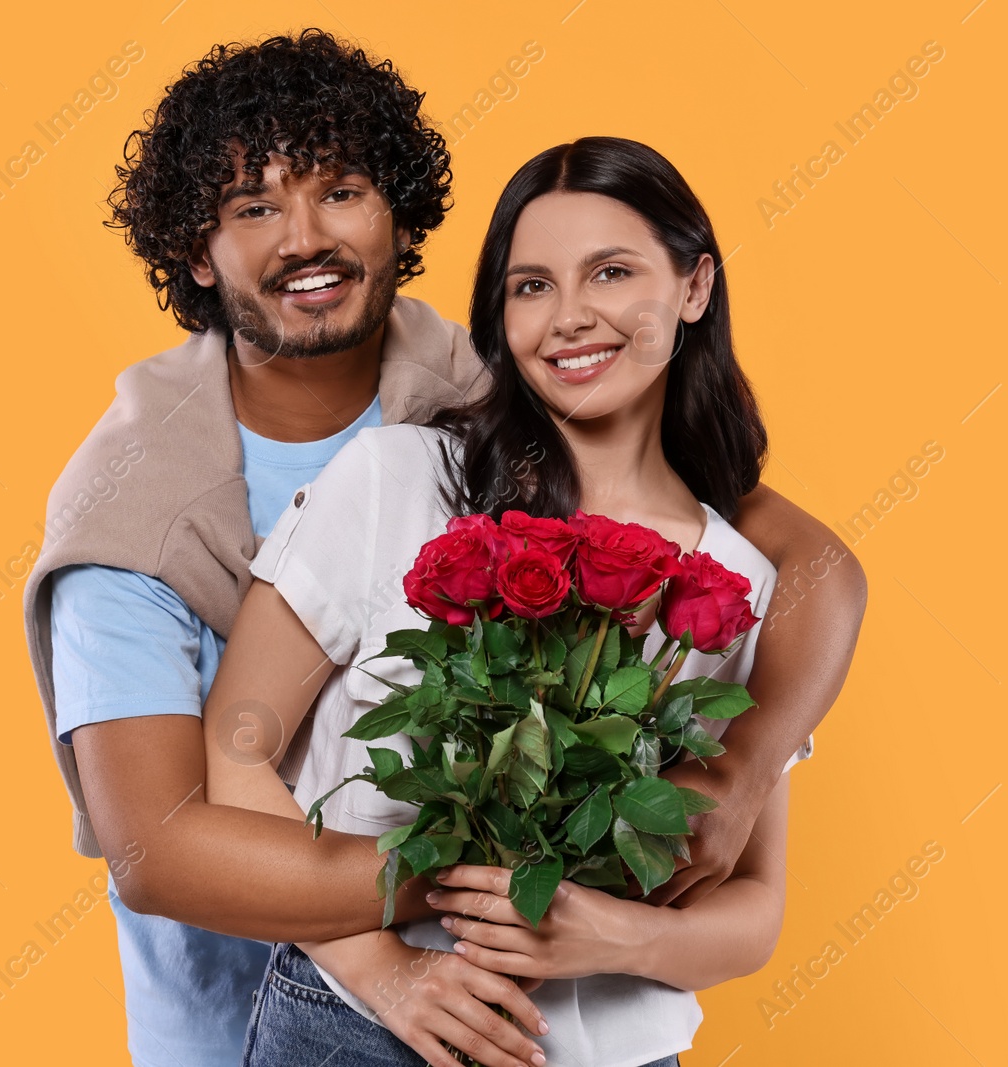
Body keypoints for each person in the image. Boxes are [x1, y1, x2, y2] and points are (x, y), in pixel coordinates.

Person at [21, 31, 865, 1067]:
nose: (303, 238)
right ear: (197, 251)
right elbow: (161, 841)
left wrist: (734, 779)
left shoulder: (490, 395)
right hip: (262, 1008)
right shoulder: (143, 509)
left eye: (340, 190)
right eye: (252, 207)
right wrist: (463, 899)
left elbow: (797, 562)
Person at [202, 136, 849, 1067]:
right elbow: (235, 746)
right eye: (531, 285)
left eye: (613, 272)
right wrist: (383, 969)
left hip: (621, 1049)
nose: (570, 318)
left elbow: (754, 909)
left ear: (695, 287)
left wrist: (621, 939)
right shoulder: (401, 480)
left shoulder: (742, 582)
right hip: (356, 1030)